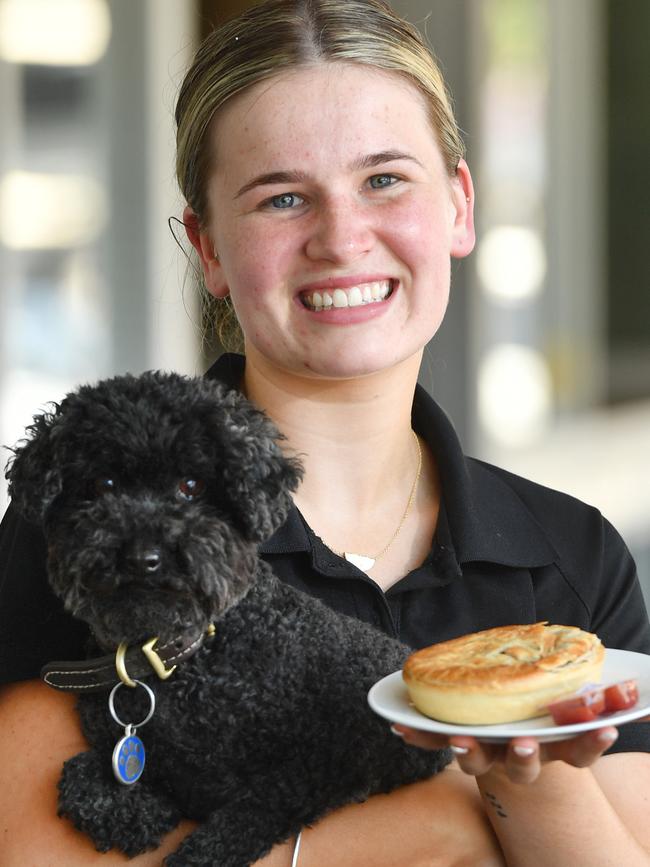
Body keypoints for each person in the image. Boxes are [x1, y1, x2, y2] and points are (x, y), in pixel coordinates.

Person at [1, 1, 649, 864]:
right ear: (210, 252)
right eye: (282, 197)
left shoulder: (567, 556)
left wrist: (523, 769)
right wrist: (452, 825)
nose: (342, 239)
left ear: (457, 206)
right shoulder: (97, 529)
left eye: (384, 179)